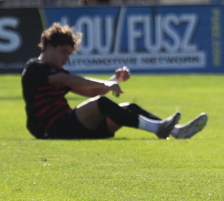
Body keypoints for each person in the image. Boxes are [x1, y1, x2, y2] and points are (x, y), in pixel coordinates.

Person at [21, 22, 208, 140]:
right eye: (64, 52)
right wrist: (105, 84)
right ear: (50, 47)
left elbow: (92, 93)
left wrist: (114, 79)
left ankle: (176, 131)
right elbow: (65, 79)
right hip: (50, 129)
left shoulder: (58, 71)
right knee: (102, 103)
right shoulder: (34, 68)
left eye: (69, 54)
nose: (66, 58)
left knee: (128, 108)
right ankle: (159, 128)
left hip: (72, 128)